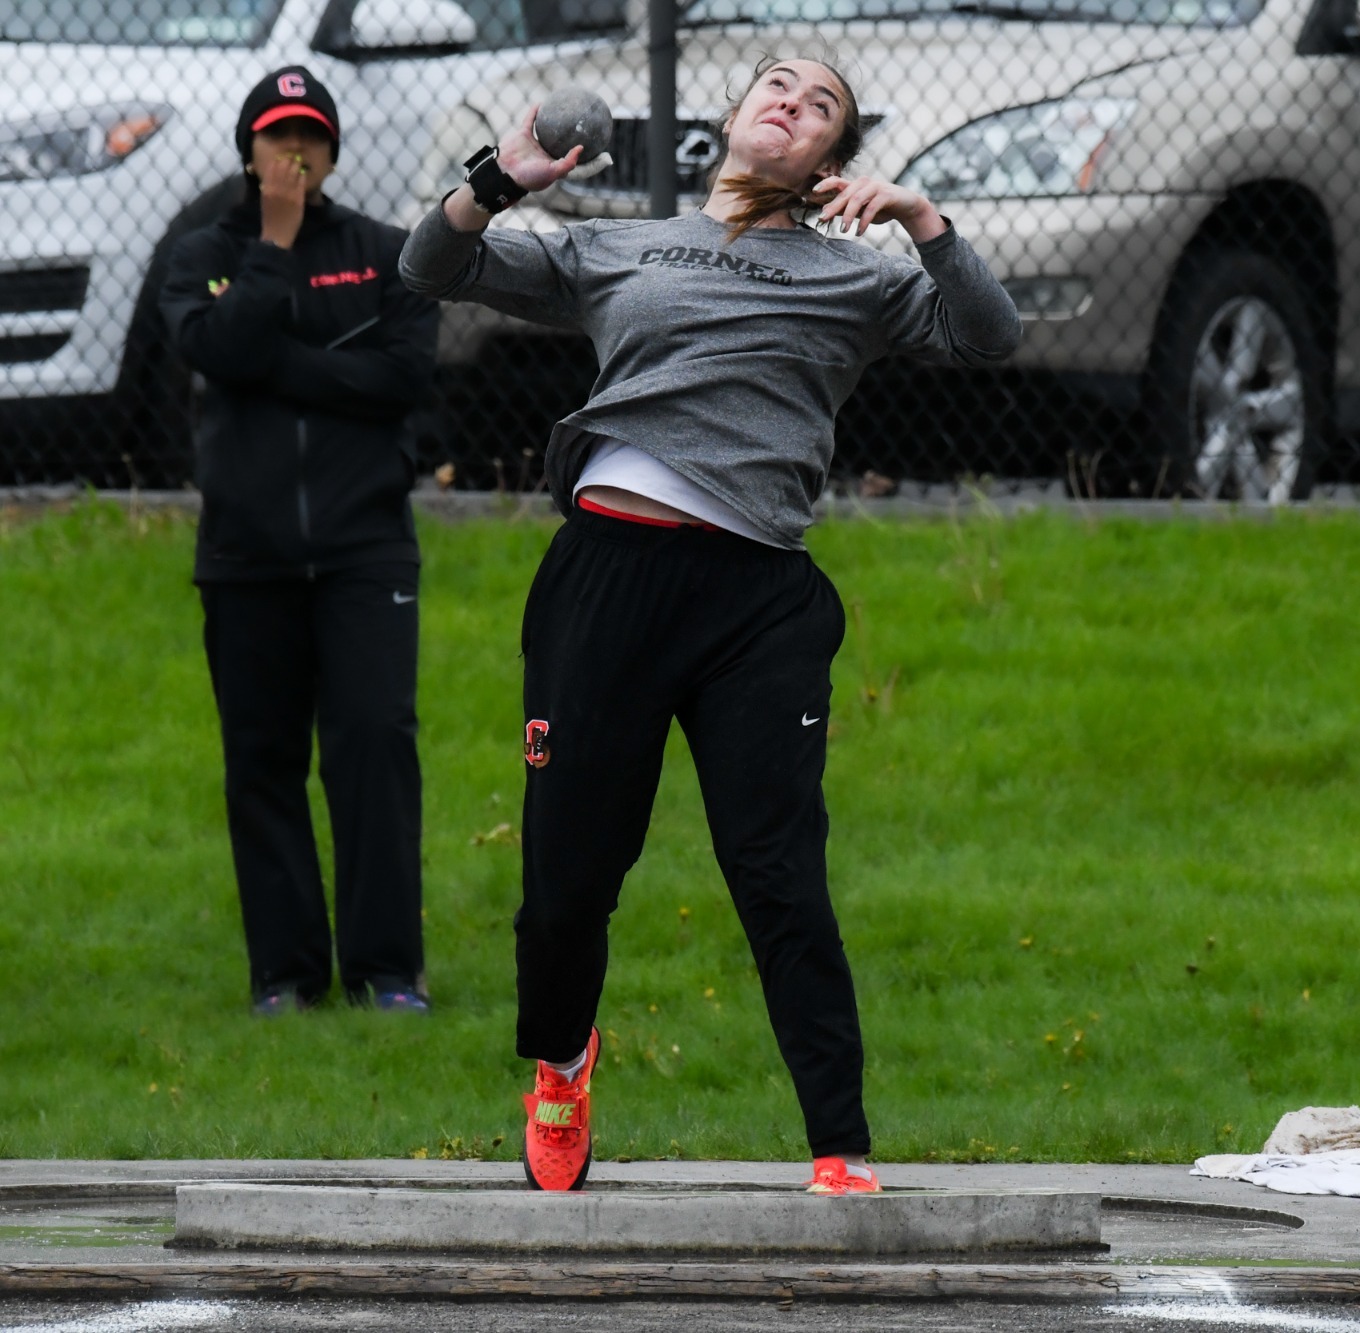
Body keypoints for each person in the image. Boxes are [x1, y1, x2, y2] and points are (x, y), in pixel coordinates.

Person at [400, 56, 1021, 1193]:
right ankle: (562, 1058)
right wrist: (501, 179)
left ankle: (839, 1141)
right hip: (606, 578)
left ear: (831, 160)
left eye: (819, 103)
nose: (789, 102)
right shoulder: (618, 246)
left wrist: (924, 220)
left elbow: (989, 336)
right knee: (569, 876)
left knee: (778, 870)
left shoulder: (851, 279)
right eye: (774, 87)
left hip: (753, 601)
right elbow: (429, 264)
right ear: (732, 120)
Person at [160, 66, 439, 1017]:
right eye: (277, 136)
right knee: (262, 759)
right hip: (247, 556)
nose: (294, 152)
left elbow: (402, 377)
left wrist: (279, 367)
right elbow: (222, 350)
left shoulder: (386, 252)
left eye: (310, 136)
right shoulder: (199, 250)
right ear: (249, 150)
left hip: (367, 551)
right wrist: (274, 250)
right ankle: (285, 974)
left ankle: (388, 971)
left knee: (372, 746)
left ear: (332, 149)